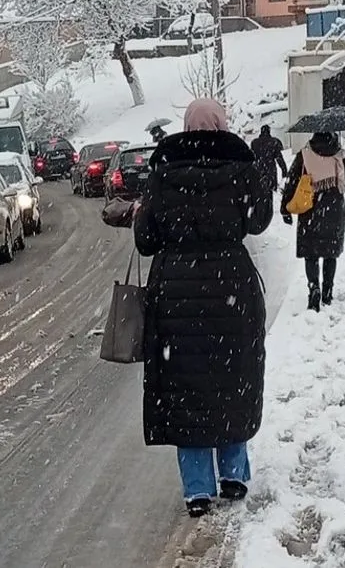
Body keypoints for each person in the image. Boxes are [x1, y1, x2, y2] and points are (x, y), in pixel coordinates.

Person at [132, 98, 273, 518]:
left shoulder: (164, 172)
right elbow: (259, 220)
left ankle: (197, 489)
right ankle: (233, 474)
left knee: (185, 385)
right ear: (222, 125)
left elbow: (146, 241)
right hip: (232, 287)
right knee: (233, 378)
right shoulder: (240, 167)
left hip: (176, 293)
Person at [280, 132, 345, 312]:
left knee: (311, 253)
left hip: (310, 210)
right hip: (334, 210)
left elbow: (292, 181)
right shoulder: (340, 155)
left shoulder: (305, 154)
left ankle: (314, 288)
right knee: (330, 254)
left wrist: (285, 208)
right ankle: (328, 291)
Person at [250, 125, 288, 192]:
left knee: (258, 192)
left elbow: (251, 158)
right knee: (271, 192)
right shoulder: (274, 142)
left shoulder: (254, 143)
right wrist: (284, 171)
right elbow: (279, 159)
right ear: (269, 131)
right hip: (270, 171)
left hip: (258, 170)